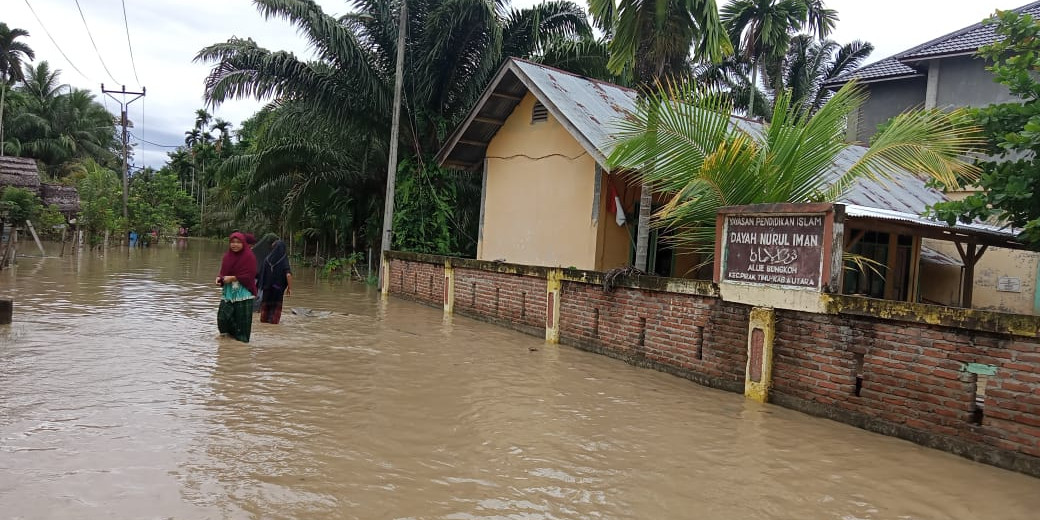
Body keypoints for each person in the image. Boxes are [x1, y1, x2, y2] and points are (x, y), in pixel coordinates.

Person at [216, 232, 258, 342]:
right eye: (232, 242)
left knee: (241, 321)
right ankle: (227, 339)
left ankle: (240, 344)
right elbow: (223, 272)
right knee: (222, 317)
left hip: (243, 292)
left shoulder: (249, 256)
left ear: (243, 243)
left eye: (238, 242)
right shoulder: (227, 256)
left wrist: (234, 278)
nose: (235, 245)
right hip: (229, 291)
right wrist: (219, 278)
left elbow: (250, 275)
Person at [258, 239, 292, 324]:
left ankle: (264, 322)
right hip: (277, 289)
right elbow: (288, 275)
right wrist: (289, 288)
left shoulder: (267, 259)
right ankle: (273, 324)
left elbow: (261, 274)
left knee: (265, 309)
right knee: (275, 310)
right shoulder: (284, 260)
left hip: (267, 288)